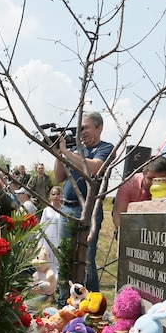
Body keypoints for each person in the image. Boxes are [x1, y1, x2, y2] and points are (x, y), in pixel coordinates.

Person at [53, 112, 114, 293]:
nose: (82, 132)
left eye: (86, 127)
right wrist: (58, 152)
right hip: (66, 208)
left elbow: (95, 167)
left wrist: (66, 152)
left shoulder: (106, 147)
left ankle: (93, 305)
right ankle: (64, 301)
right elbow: (58, 177)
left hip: (88, 210)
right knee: (65, 257)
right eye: (80, 128)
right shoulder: (74, 150)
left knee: (86, 259)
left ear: (99, 128)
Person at [112, 156, 166, 230]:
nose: (154, 184)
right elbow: (118, 214)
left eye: (159, 180)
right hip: (133, 227)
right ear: (143, 173)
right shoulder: (129, 184)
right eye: (150, 179)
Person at [39, 186, 64, 275]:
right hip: (47, 239)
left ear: (61, 195)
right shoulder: (46, 210)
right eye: (53, 194)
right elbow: (41, 227)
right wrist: (40, 243)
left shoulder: (64, 210)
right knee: (47, 261)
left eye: (57, 194)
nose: (55, 197)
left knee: (57, 262)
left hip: (59, 239)